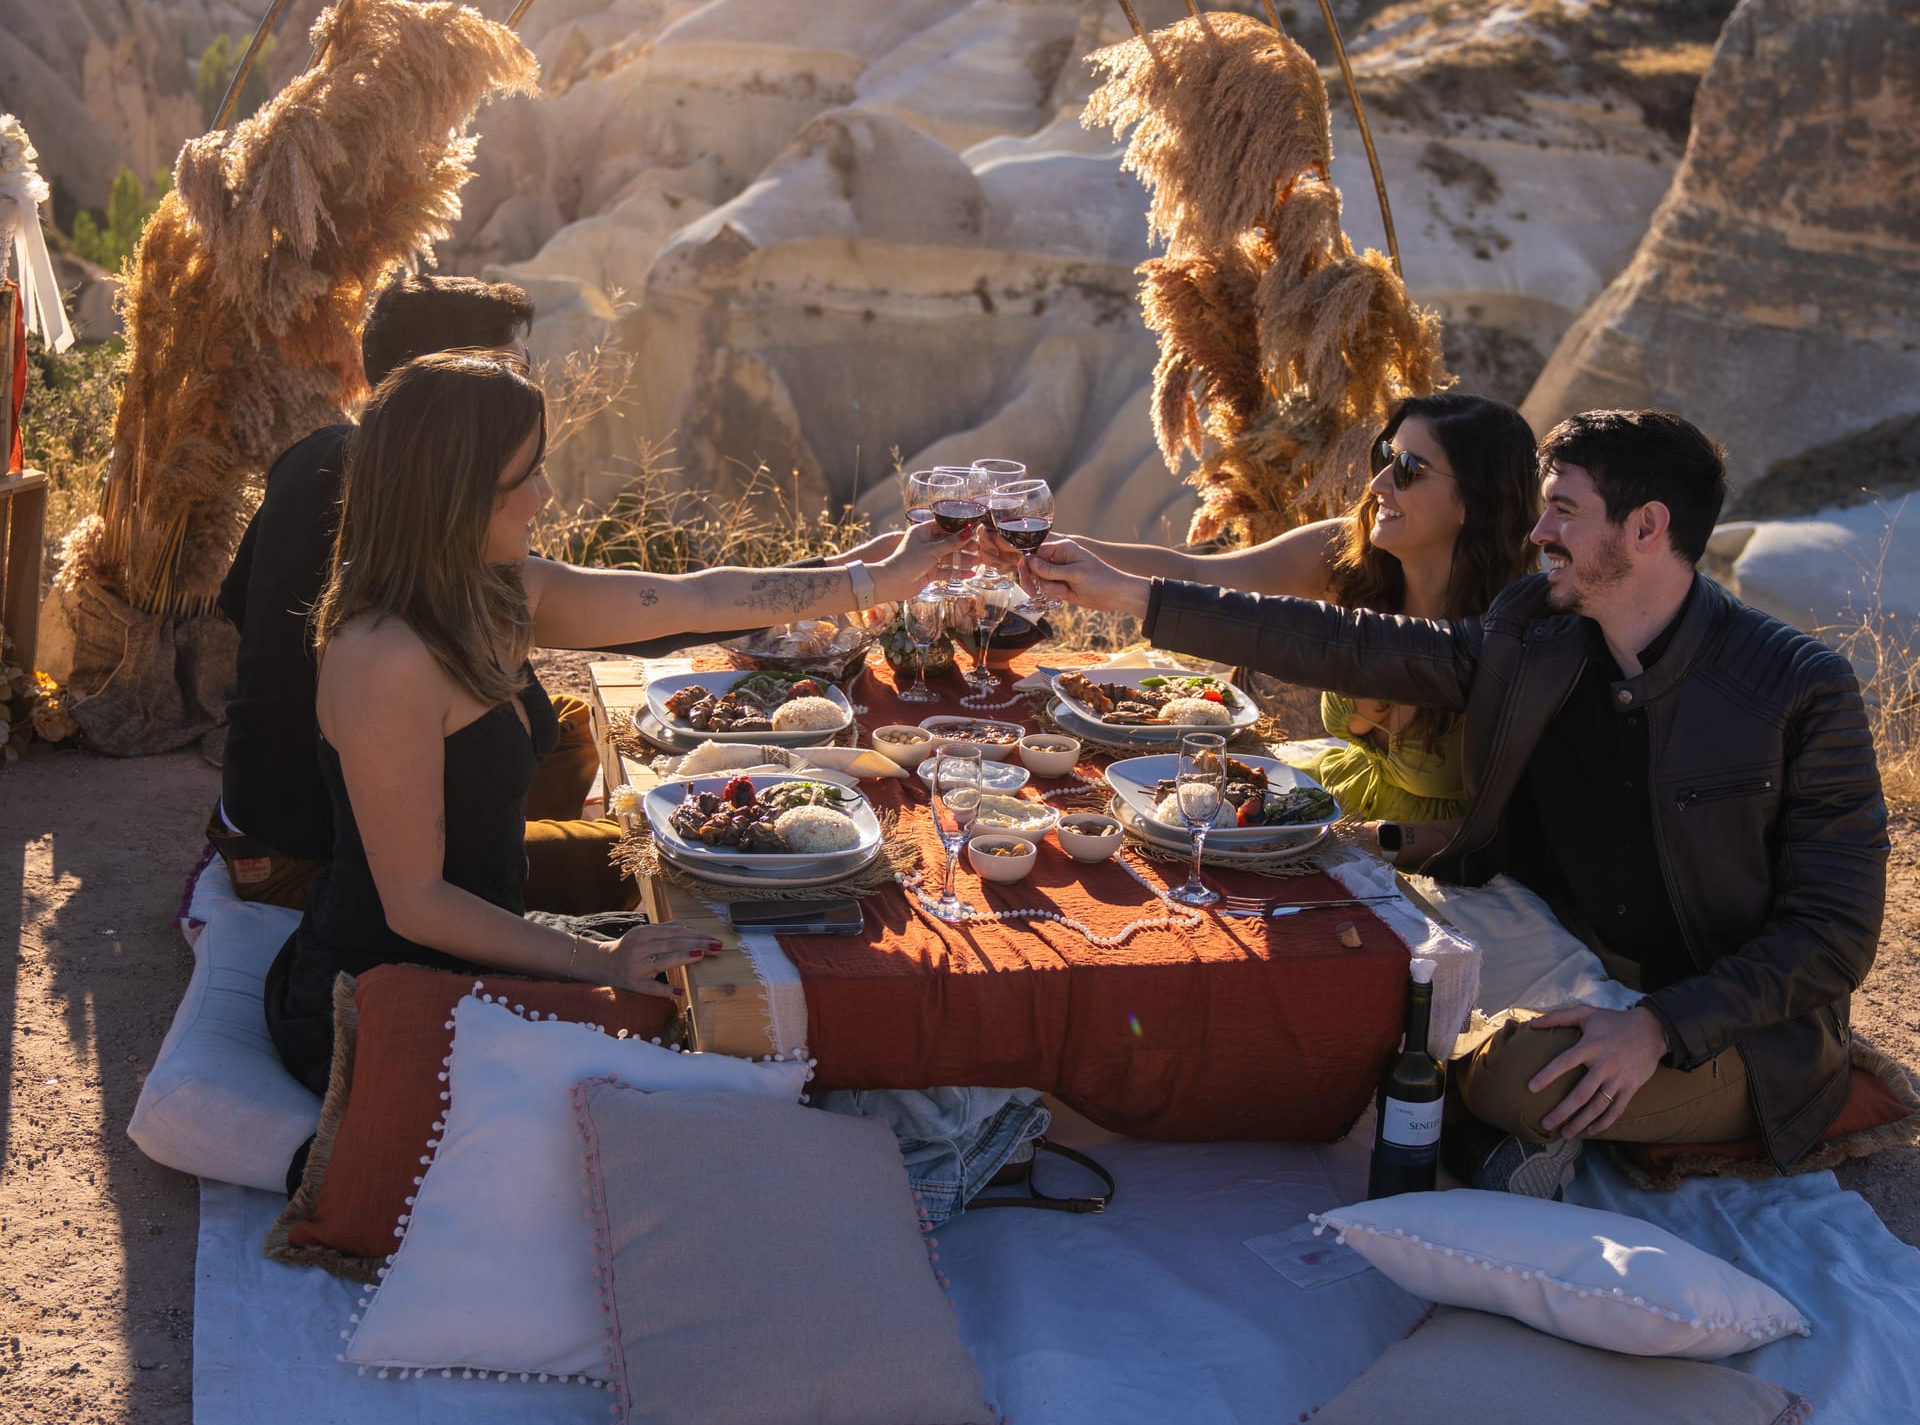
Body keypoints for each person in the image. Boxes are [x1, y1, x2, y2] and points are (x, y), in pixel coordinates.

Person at [1031, 408, 1888, 1193]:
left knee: (1523, 1075)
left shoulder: (1797, 689)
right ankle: (1473, 1125)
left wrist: (1660, 1027)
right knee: (1325, 945)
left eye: (1564, 513)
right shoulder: (1539, 627)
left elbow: (1832, 936)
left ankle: (1473, 1101)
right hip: (1548, 937)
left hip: (1718, 1020)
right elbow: (1352, 646)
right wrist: (1137, 597)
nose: (1538, 532)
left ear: (1648, 527)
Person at [264, 352, 948, 1092]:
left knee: (757, 975)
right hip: (387, 998)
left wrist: (868, 578)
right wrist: (605, 964)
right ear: (455, 493)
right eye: (526, 476)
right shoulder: (382, 658)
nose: (546, 494)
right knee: (732, 1054)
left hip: (497, 945)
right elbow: (415, 905)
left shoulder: (500, 593)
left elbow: (693, 600)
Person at [1038, 392, 1539, 857]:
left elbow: (1505, 829)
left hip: (1420, 854)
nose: (1378, 482)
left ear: (1475, 501)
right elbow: (1197, 574)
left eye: (1409, 468)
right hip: (1322, 799)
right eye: (1384, 456)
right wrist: (1051, 552)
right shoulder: (1350, 556)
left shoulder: (1518, 630)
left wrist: (1331, 841)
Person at [214, 274, 537, 904]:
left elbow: (235, 605)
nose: (526, 388)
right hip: (312, 849)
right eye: (513, 370)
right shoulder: (420, 496)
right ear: (454, 384)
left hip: (256, 808)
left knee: (567, 727)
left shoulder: (316, 452)